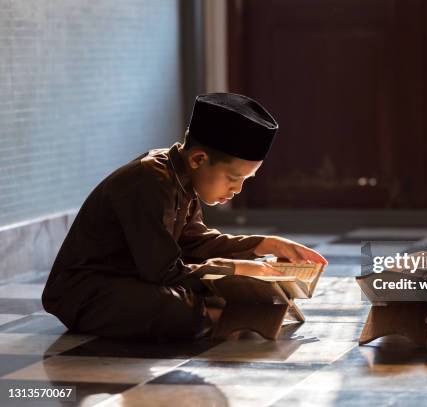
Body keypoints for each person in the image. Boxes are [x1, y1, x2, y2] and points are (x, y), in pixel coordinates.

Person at [42, 93, 327, 340]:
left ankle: (218, 313)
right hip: (87, 293)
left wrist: (265, 245)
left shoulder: (184, 178)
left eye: (245, 181)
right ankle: (218, 316)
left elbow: (196, 244)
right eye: (233, 177)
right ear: (199, 159)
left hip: (134, 279)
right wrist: (237, 269)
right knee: (177, 308)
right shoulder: (149, 180)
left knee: (226, 285)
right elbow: (163, 271)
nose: (237, 189)